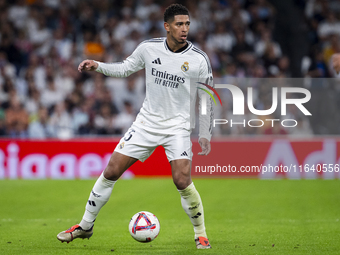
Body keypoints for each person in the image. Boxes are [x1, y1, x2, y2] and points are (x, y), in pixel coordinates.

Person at [57, 4, 213, 249]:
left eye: (187, 24)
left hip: (178, 128)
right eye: (179, 24)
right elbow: (125, 68)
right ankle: (85, 226)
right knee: (111, 171)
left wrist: (205, 132)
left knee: (182, 180)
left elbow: (206, 97)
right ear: (167, 26)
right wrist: (98, 66)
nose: (185, 29)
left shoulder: (199, 59)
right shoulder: (149, 48)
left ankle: (200, 233)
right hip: (146, 123)